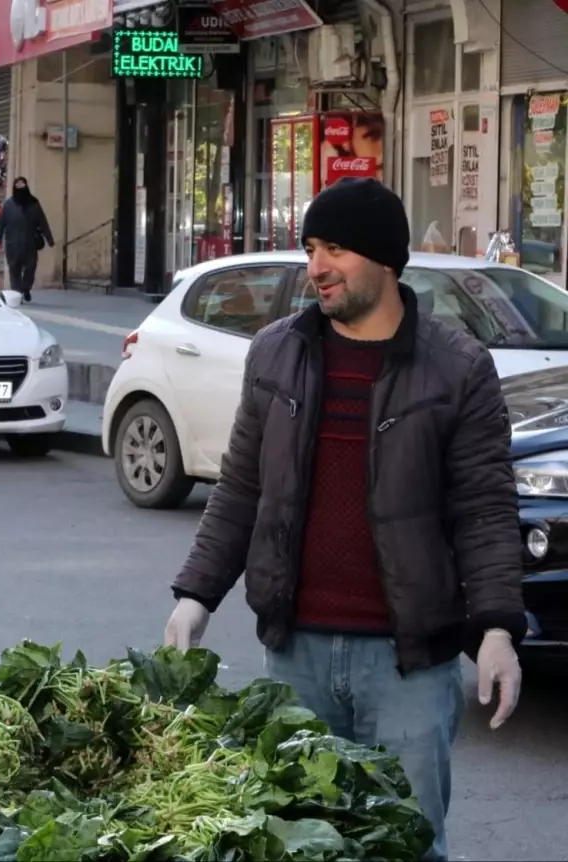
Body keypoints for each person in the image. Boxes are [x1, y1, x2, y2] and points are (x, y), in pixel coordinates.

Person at [162, 178, 525, 862]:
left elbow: (484, 509)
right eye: (310, 247)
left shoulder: (458, 368)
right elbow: (242, 486)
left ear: (385, 260)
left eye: (334, 249)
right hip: (293, 651)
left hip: (409, 663)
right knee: (293, 840)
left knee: (405, 844)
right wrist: (194, 595)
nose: (316, 267)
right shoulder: (277, 351)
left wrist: (498, 626)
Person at [0, 176, 53, 302]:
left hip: (30, 243)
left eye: (23, 186)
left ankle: (26, 288)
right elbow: (1, 223)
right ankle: (17, 294)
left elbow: (42, 221)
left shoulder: (34, 204)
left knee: (31, 267)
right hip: (13, 244)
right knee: (14, 270)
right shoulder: (8, 205)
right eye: (18, 186)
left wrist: (49, 238)